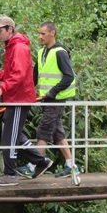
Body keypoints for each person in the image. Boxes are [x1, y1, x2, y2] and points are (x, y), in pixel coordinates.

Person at [0, 15, 53, 187]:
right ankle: (40, 161)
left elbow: (18, 75)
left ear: (10, 29)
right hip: (15, 97)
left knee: (9, 137)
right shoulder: (12, 46)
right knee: (14, 135)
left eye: (0, 30)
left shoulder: (18, 47)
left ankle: (10, 174)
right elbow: (10, 72)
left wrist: (2, 87)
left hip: (19, 98)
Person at [17, 21, 78, 179]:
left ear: (53, 33)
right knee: (58, 133)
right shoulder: (42, 52)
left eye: (43, 34)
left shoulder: (60, 52)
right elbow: (35, 77)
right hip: (46, 99)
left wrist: (53, 91)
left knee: (43, 130)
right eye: (39, 33)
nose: (40, 37)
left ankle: (32, 166)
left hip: (56, 99)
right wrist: (26, 92)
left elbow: (69, 76)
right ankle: (72, 166)